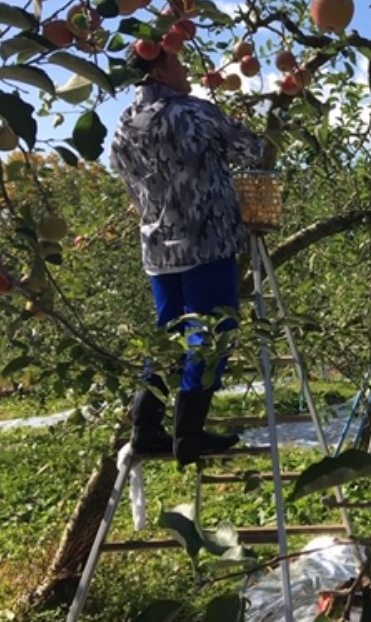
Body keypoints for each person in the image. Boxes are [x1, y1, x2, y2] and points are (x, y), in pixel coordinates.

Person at [110, 44, 267, 465]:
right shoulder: (192, 112)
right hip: (206, 240)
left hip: (158, 249)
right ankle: (189, 435)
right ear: (160, 70)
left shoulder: (125, 124)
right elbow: (251, 149)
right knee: (213, 333)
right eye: (178, 62)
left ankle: (146, 429)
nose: (186, 70)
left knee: (168, 335)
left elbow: (126, 181)